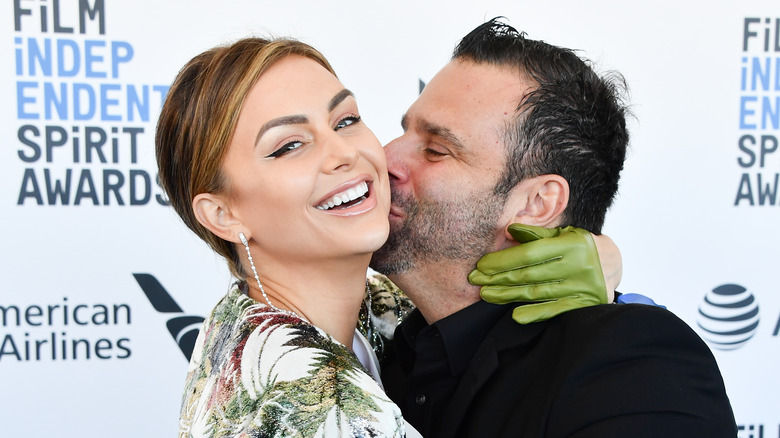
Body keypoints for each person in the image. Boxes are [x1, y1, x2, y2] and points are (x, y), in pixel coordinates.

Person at [156, 36, 617, 437]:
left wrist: (609, 262)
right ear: (222, 214)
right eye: (289, 145)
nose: (344, 154)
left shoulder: (346, 307)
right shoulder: (312, 407)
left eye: (345, 121)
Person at [373, 19, 738, 437]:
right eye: (405, 130)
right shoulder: (387, 344)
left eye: (436, 150)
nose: (383, 159)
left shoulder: (630, 363)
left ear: (537, 204)